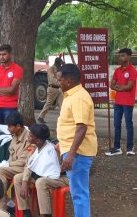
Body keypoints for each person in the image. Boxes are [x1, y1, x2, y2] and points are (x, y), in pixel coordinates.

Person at [57, 64, 97, 217]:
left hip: (78, 154)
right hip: (73, 150)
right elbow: (71, 125)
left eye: (60, 80)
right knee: (78, 193)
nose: (58, 83)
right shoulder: (72, 95)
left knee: (79, 194)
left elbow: (81, 128)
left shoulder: (79, 98)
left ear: (69, 80)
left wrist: (71, 155)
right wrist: (62, 143)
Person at [14, 124, 69, 217]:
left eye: (31, 136)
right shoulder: (36, 147)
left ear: (38, 140)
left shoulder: (50, 150)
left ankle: (46, 214)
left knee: (40, 182)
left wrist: (28, 179)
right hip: (41, 176)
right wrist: (24, 181)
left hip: (59, 178)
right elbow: (29, 165)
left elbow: (53, 172)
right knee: (18, 178)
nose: (28, 137)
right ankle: (26, 212)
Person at [106, 48, 137, 156]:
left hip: (128, 101)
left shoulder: (132, 70)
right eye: (120, 56)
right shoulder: (118, 70)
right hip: (118, 101)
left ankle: (130, 148)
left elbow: (129, 87)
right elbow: (111, 85)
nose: (120, 58)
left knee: (129, 124)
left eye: (123, 55)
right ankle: (117, 148)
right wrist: (120, 88)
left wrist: (118, 87)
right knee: (116, 124)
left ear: (129, 56)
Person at [0, 44, 23, 124]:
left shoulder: (17, 69)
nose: (1, 57)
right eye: (0, 54)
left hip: (10, 108)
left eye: (4, 54)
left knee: (8, 134)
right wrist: (7, 92)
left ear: (10, 54)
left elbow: (12, 90)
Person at [37, 57, 64, 124]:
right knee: (48, 103)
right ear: (57, 63)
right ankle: (41, 117)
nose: (60, 65)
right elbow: (52, 80)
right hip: (52, 88)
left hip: (58, 89)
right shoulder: (51, 69)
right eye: (60, 64)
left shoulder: (58, 69)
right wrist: (60, 83)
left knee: (62, 104)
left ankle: (64, 118)